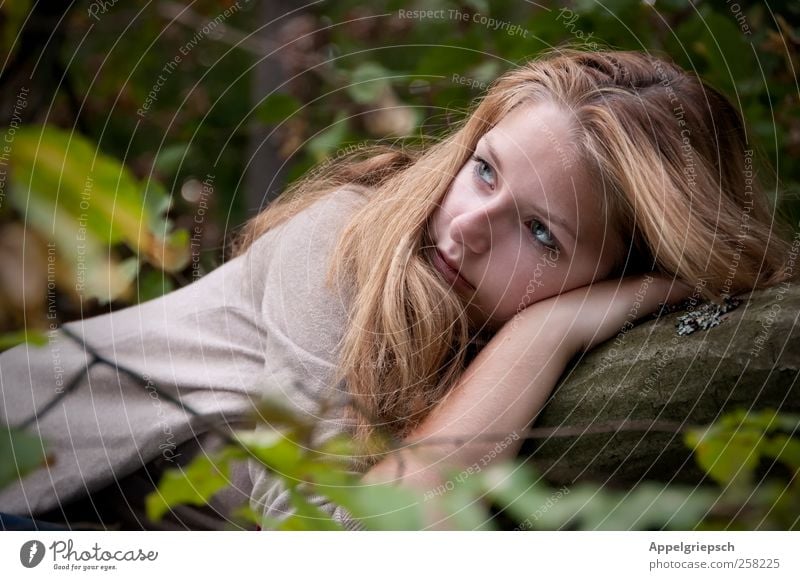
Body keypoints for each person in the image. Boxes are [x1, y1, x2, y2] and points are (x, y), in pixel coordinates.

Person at [0, 48, 795, 531]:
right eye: (483, 169)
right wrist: (546, 332)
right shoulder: (347, 242)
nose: (467, 225)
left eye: (541, 231)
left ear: (623, 268)